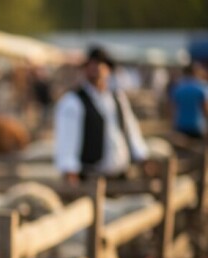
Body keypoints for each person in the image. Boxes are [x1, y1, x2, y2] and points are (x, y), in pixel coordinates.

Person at [53, 46, 148, 185]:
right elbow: (67, 138)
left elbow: (130, 128)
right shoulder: (73, 101)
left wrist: (140, 155)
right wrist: (69, 169)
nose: (96, 68)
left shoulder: (117, 97)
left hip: (120, 175)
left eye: (100, 64)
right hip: (92, 178)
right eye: (91, 64)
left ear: (108, 69)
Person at [169, 62, 208, 139]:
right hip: (197, 127)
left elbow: (172, 108)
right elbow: (205, 109)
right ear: (195, 72)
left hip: (180, 125)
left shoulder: (177, 87)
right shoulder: (201, 87)